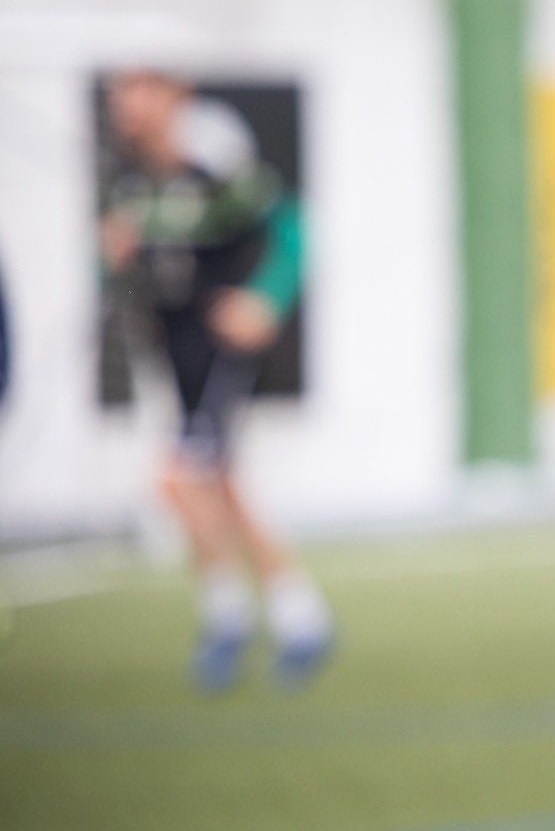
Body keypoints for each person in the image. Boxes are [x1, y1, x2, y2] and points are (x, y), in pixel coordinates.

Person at [101, 70, 333, 692]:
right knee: (221, 485)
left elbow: (291, 229)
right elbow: (129, 287)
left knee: (178, 478)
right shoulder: (131, 181)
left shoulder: (215, 155)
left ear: (172, 98)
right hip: (176, 351)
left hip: (221, 348)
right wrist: (117, 261)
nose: (128, 107)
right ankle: (300, 617)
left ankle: (227, 615)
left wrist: (266, 299)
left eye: (140, 93)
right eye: (122, 95)